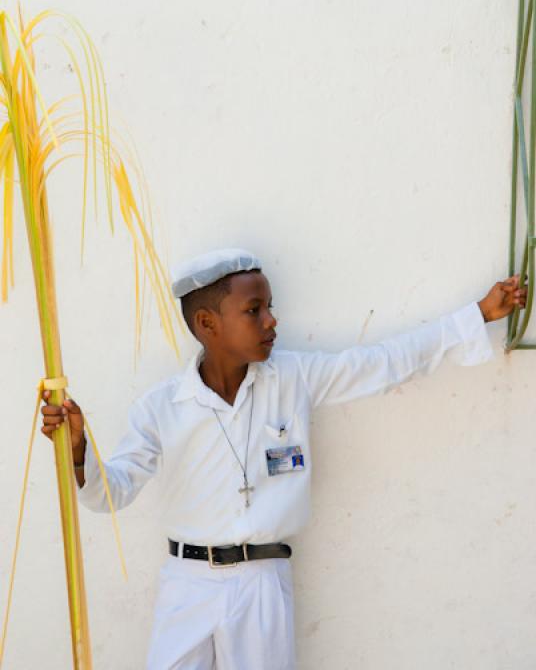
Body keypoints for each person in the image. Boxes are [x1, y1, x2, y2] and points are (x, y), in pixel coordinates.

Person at [40, 248, 527, 670]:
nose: (272, 321)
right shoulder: (162, 407)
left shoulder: (292, 378)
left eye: (270, 307)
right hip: (186, 585)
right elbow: (112, 491)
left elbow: (382, 363)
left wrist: (477, 315)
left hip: (261, 584)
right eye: (254, 310)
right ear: (208, 324)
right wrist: (80, 449)